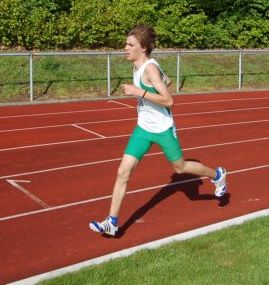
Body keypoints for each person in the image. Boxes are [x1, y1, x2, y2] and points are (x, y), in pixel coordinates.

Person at [89, 24, 228, 237]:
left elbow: (169, 101)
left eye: (130, 45)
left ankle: (217, 175)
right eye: (126, 44)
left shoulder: (150, 68)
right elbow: (167, 81)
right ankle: (112, 222)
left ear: (143, 48)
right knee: (123, 172)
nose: (125, 48)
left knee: (180, 168)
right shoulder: (139, 66)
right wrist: (152, 87)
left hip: (163, 128)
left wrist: (139, 92)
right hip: (143, 128)